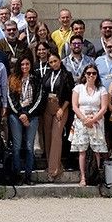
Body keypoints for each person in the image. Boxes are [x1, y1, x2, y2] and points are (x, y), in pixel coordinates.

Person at [6, 57, 43, 186]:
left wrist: (28, 114)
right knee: (16, 146)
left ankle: (28, 175)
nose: (24, 66)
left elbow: (38, 98)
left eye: (27, 64)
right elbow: (10, 99)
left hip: (32, 115)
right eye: (22, 64)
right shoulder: (13, 79)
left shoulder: (36, 79)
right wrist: (20, 113)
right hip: (16, 115)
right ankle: (16, 174)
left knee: (29, 146)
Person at [71, 66, 110, 186]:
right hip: (81, 121)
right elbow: (75, 106)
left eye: (94, 73)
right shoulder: (78, 88)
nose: (91, 75)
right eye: (88, 73)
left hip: (96, 122)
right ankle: (83, 177)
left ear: (97, 75)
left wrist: (93, 119)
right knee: (82, 151)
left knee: (96, 150)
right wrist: (84, 119)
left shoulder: (101, 89)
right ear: (85, 74)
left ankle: (95, 176)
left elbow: (104, 107)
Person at [40, 52, 74, 182]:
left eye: (55, 61)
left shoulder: (66, 75)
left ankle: (53, 170)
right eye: (50, 62)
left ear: (60, 61)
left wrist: (62, 109)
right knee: (47, 136)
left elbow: (69, 94)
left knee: (56, 135)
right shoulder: (47, 74)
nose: (53, 64)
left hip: (60, 106)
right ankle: (51, 164)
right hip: (47, 106)